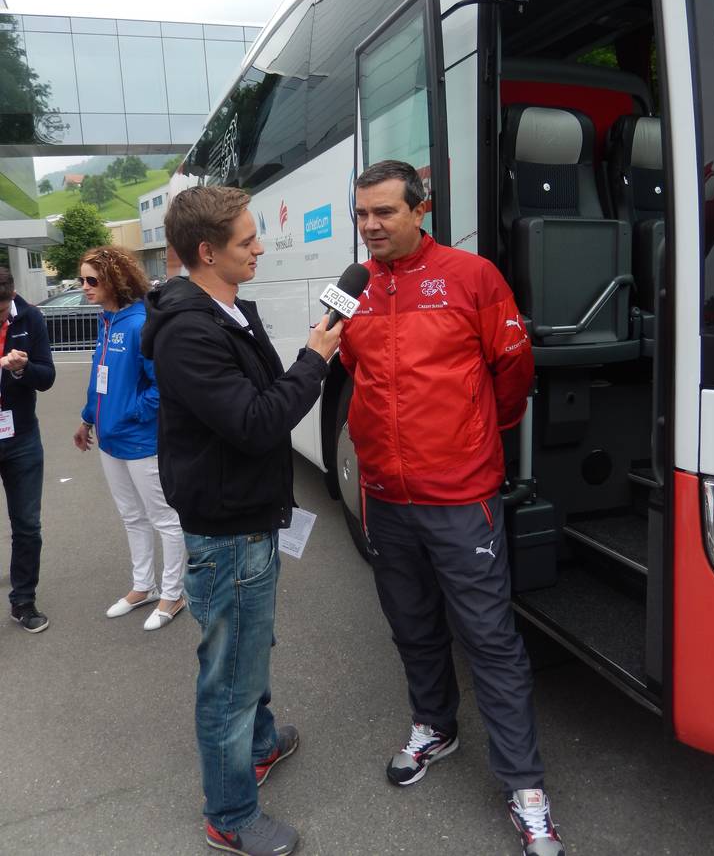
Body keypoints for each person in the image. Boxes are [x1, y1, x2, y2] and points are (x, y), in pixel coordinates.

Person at [339, 160, 565, 856]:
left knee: (489, 639)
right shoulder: (354, 287)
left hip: (461, 496)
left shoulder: (472, 277)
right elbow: (349, 368)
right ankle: (435, 725)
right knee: (411, 626)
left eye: (384, 212)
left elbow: (513, 372)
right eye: (361, 214)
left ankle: (525, 788)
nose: (370, 226)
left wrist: (472, 438)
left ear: (421, 209)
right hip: (385, 496)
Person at [141, 186, 342, 856]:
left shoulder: (222, 308)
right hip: (227, 530)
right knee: (228, 676)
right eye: (247, 240)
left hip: (246, 515)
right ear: (207, 251)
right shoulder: (189, 331)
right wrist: (315, 360)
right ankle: (229, 815)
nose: (260, 248)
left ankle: (259, 745)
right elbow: (256, 422)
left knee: (249, 648)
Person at [73, 246, 185, 631]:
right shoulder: (107, 321)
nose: (84, 286)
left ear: (114, 279)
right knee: (131, 516)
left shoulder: (140, 323)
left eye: (92, 279)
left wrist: (130, 413)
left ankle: (173, 594)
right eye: (82, 279)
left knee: (164, 519)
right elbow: (99, 377)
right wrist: (88, 419)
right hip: (110, 440)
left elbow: (163, 385)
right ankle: (144, 586)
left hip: (140, 441)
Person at [0, 267, 55, 633]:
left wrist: (22, 370)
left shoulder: (31, 317)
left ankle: (23, 600)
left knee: (27, 525)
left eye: (3, 309)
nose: (0, 316)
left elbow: (47, 377)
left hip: (21, 437)